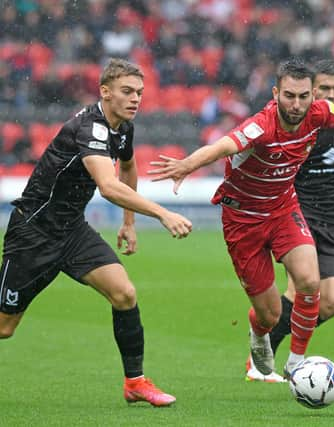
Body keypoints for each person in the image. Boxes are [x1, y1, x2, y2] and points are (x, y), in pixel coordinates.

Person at [149, 58, 334, 381]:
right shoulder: (260, 126)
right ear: (276, 93)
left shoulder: (318, 112)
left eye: (304, 96)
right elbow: (222, 146)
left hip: (283, 209)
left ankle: (296, 364)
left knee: (309, 282)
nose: (297, 104)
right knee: (270, 314)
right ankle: (258, 332)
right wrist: (186, 165)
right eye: (290, 95)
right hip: (243, 220)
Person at [0, 58, 193, 406]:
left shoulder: (123, 127)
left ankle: (135, 383)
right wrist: (162, 214)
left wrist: (129, 223)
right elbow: (107, 185)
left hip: (72, 230)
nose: (135, 98)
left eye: (139, 92)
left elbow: (129, 168)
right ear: (105, 91)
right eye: (127, 91)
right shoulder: (90, 127)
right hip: (34, 232)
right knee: (4, 328)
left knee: (124, 294)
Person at [244, 59, 334, 382]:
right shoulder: (302, 122)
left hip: (332, 222)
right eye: (324, 88)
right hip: (296, 216)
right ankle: (267, 361)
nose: (331, 94)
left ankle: (265, 344)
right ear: (313, 91)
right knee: (299, 291)